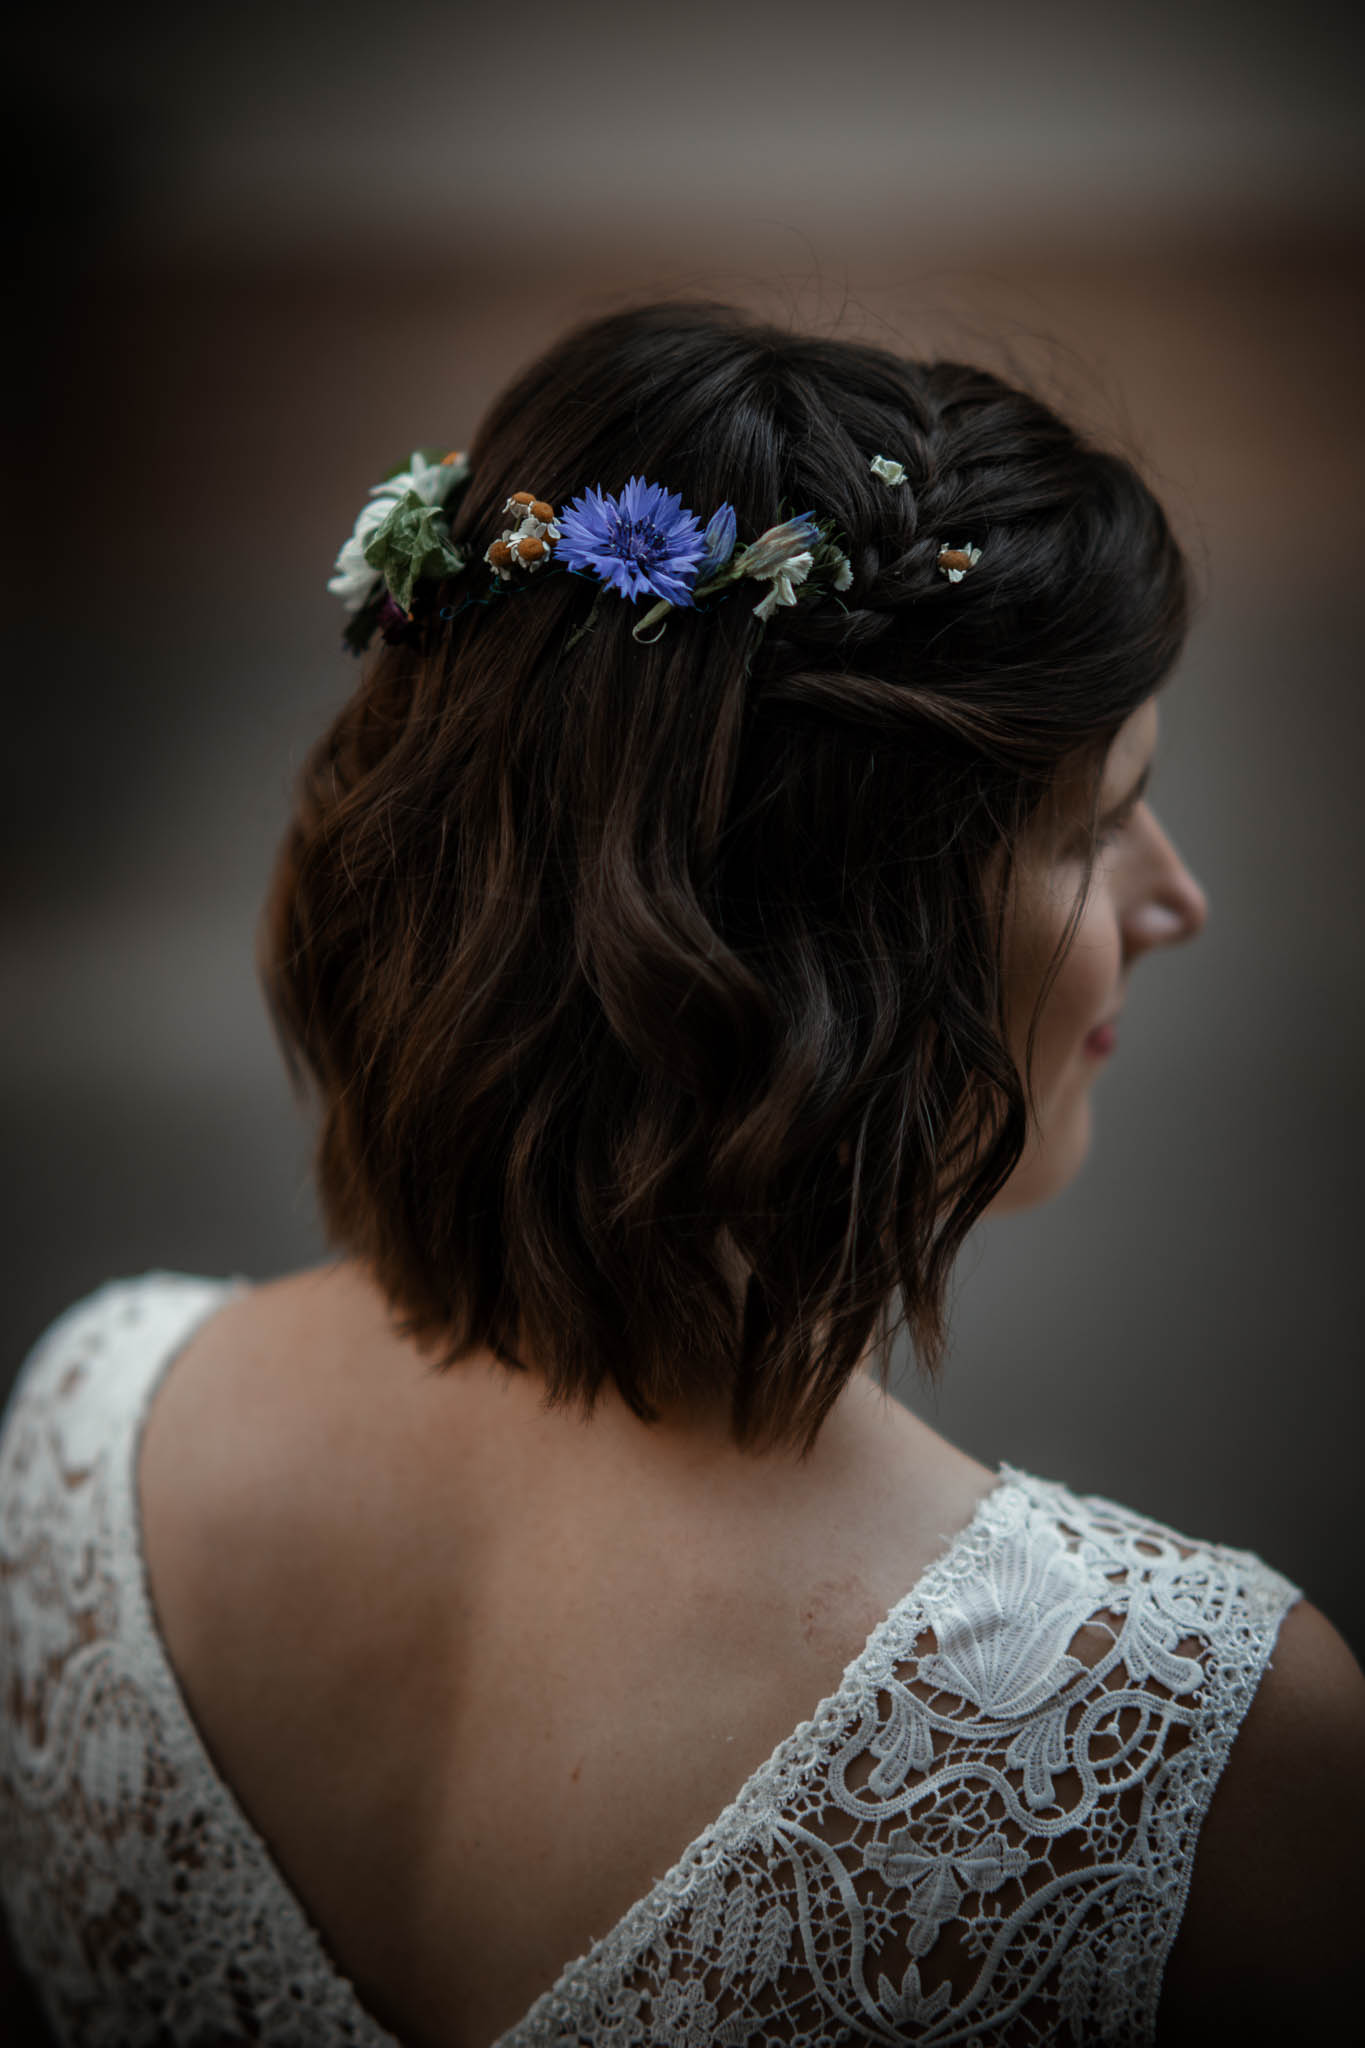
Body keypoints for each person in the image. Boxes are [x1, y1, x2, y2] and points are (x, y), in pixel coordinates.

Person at [1, 301, 1361, 2047]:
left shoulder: (84, 1434)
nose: (1174, 902)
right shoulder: (1196, 1754)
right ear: (851, 922)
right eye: (1098, 822)